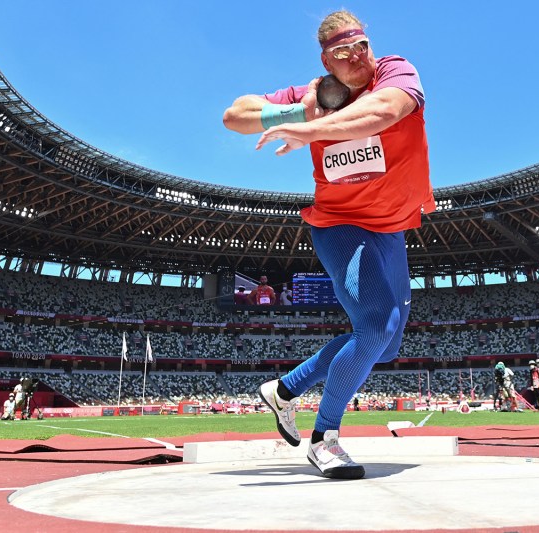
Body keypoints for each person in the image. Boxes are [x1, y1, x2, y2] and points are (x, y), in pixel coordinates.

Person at [223, 9, 434, 479]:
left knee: (385, 346)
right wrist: (299, 112)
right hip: (340, 225)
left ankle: (284, 390)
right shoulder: (312, 96)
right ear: (326, 60)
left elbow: (385, 110)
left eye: (362, 46)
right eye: (343, 53)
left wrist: (311, 131)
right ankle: (326, 438)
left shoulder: (395, 71)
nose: (357, 58)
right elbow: (234, 116)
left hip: (391, 230)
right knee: (375, 324)